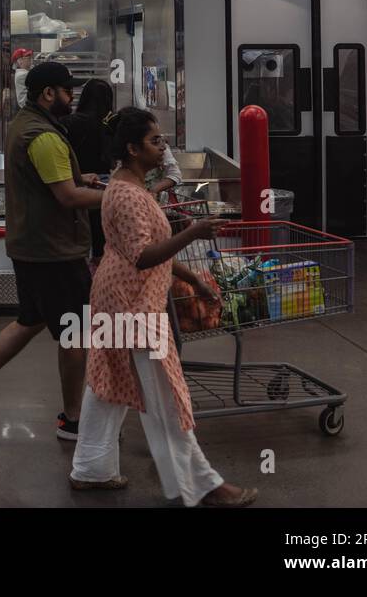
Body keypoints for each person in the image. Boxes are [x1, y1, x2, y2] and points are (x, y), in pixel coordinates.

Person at [69, 107, 257, 507]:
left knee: (108, 386)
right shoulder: (128, 196)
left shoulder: (126, 187)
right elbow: (142, 255)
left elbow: (146, 253)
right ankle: (205, 485)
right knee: (165, 395)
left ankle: (91, 467)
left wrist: (192, 282)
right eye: (155, 141)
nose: (163, 148)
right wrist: (193, 232)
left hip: (115, 298)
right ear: (133, 149)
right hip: (132, 306)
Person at [0, 62, 105, 438]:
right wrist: (116, 194)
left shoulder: (24, 123)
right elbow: (66, 197)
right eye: (67, 91)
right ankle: (73, 418)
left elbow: (50, 180)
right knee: (73, 333)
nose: (72, 98)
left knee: (30, 320)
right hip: (55, 252)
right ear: (48, 93)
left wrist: (81, 178)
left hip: (31, 247)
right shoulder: (44, 135)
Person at [62, 78, 115, 270]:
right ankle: (100, 275)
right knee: (102, 239)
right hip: (103, 186)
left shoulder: (68, 122)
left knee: (78, 237)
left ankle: (82, 277)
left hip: (74, 183)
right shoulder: (111, 124)